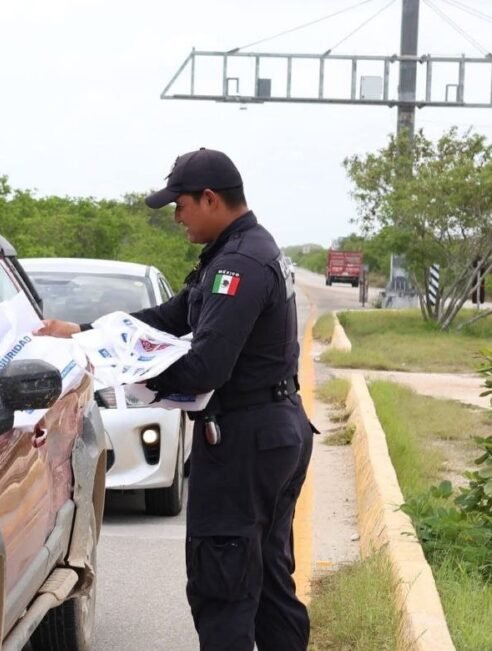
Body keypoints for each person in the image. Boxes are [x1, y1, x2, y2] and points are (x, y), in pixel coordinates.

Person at [38, 148, 314, 651]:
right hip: (271, 430)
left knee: (224, 585)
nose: (176, 216)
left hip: (246, 441)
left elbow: (207, 366)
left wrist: (133, 379)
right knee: (268, 580)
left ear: (210, 199)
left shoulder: (241, 264)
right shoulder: (240, 250)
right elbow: (174, 315)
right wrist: (81, 334)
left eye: (180, 204)